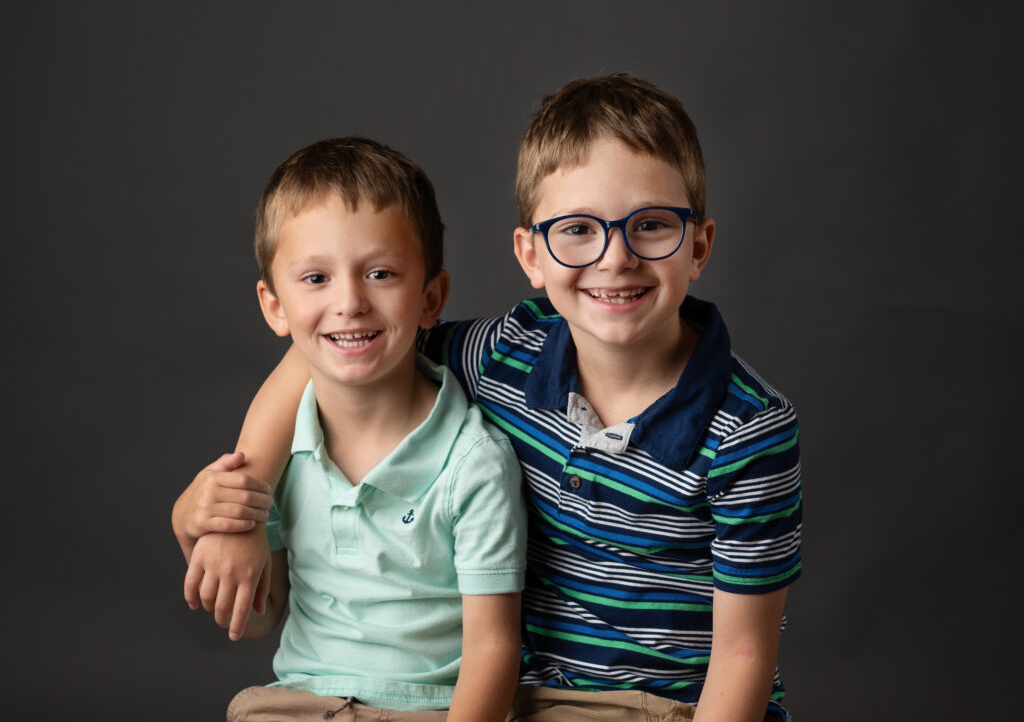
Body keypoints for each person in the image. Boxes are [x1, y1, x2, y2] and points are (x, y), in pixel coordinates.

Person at [176, 74, 802, 721]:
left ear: (698, 246)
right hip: (529, 701)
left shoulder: (747, 427)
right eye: (578, 230)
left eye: (649, 226)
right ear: (530, 255)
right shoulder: (507, 353)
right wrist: (241, 505)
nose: (615, 257)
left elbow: (745, 656)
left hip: (664, 706)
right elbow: (332, 351)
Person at [172, 136, 527, 721]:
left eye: (381, 273)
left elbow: (493, 648)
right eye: (315, 279)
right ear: (274, 306)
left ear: (430, 298)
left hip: (432, 710)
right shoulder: (288, 451)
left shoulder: (473, 462)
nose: (350, 302)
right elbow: (261, 618)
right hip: (302, 703)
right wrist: (193, 528)